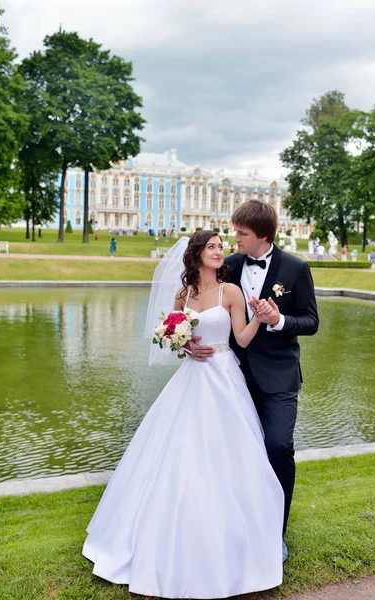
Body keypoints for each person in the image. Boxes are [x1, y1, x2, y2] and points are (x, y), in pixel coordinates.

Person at [83, 230, 284, 598]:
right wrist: (186, 346)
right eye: (212, 247)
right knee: (178, 452)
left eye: (222, 246)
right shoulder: (183, 294)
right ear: (197, 253)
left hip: (224, 378)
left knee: (229, 455)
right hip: (192, 379)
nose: (220, 251)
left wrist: (261, 316)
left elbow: (241, 339)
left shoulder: (232, 292)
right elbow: (174, 336)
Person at [188, 201, 319, 562]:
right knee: (227, 453)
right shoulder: (228, 265)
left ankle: (275, 534)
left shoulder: (295, 268)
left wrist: (277, 319)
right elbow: (198, 310)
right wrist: (185, 340)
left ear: (262, 235)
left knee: (277, 447)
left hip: (278, 377)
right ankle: (229, 528)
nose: (234, 239)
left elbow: (310, 321)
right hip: (230, 379)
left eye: (241, 233)